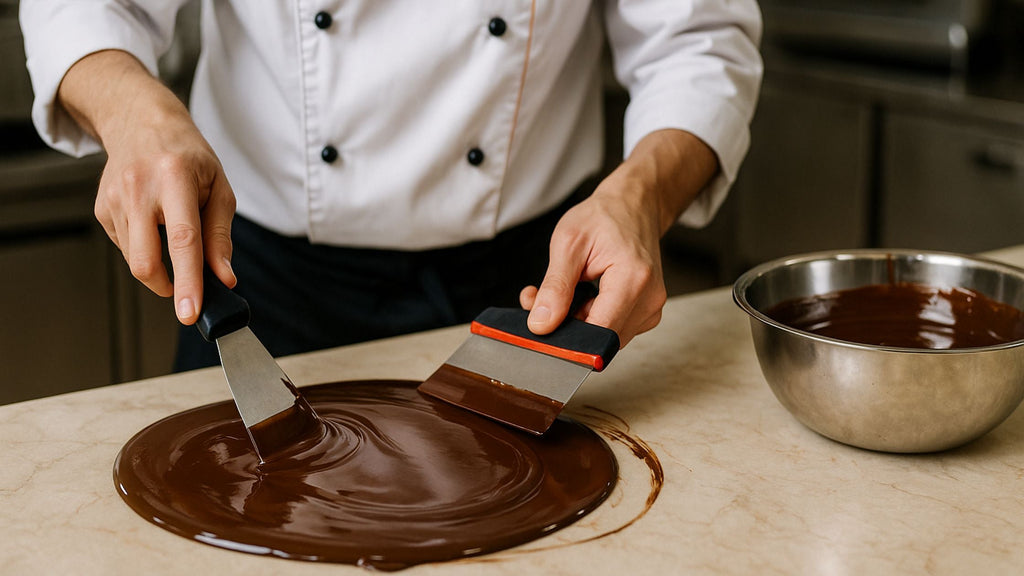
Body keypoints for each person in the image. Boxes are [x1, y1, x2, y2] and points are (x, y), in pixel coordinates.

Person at [20, 2, 763, 371]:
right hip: (261, 287)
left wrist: (639, 197)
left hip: (540, 288)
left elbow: (698, 38)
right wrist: (133, 110)